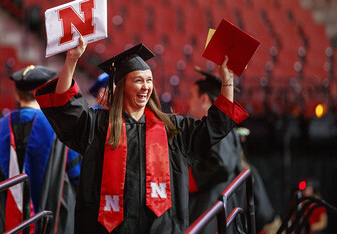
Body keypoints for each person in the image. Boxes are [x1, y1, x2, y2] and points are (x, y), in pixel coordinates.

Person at [34, 37, 248, 233]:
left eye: (149, 80)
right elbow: (66, 105)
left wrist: (227, 81)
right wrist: (72, 60)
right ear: (122, 86)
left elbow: (215, 126)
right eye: (138, 80)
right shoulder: (99, 127)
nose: (145, 86)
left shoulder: (173, 129)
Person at [0, 65, 79, 233]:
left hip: (8, 227)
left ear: (16, 94)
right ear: (46, 92)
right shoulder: (59, 128)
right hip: (54, 225)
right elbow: (78, 176)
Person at [187, 68, 245, 234]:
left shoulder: (217, 131)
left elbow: (222, 163)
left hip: (212, 209)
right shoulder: (219, 129)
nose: (188, 102)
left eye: (192, 97)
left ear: (204, 99)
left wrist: (190, 179)